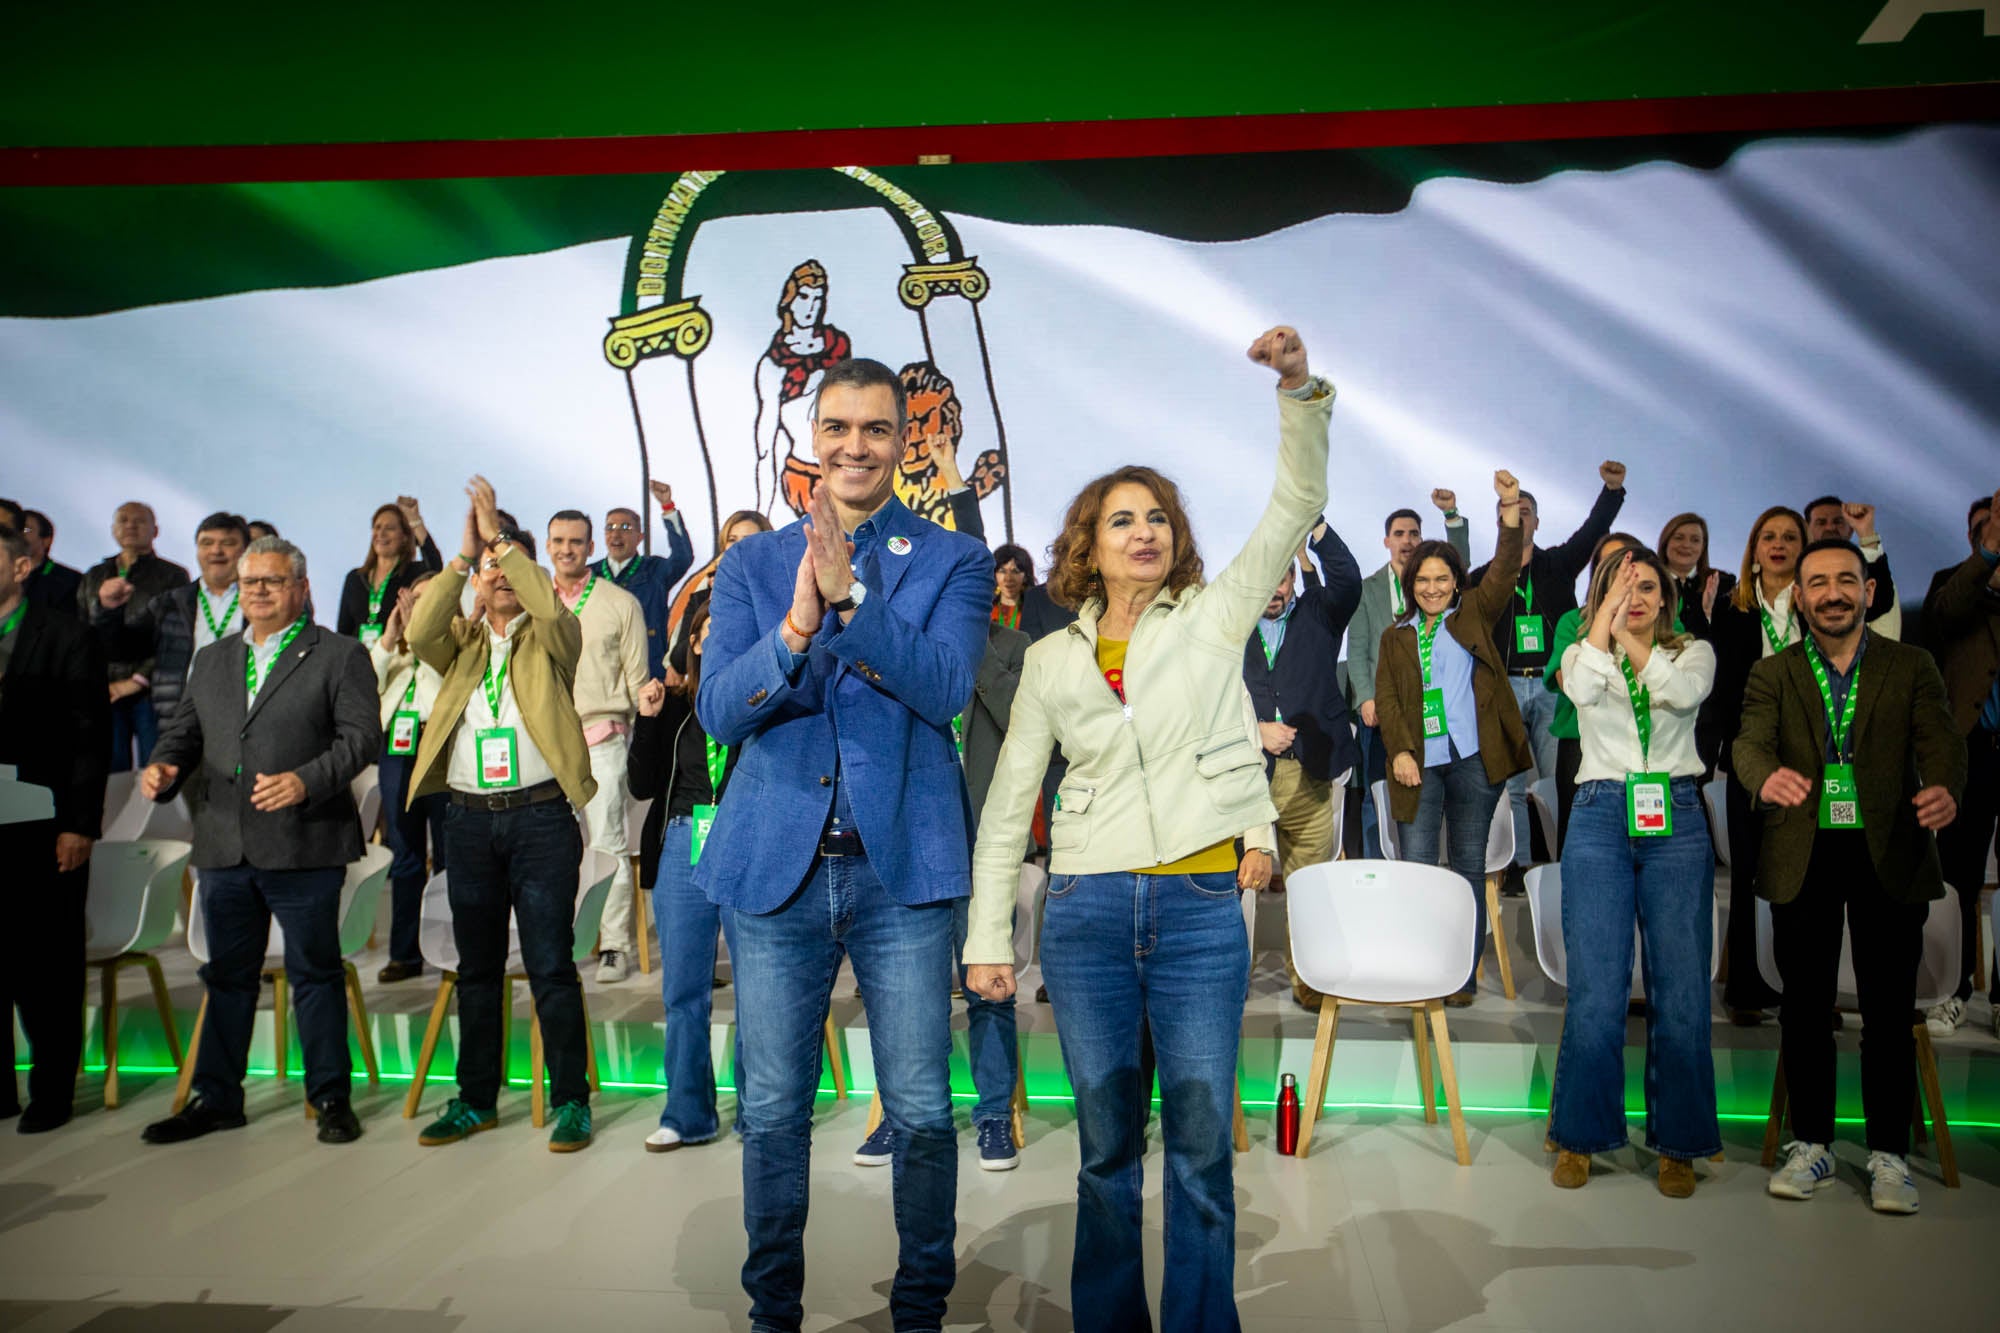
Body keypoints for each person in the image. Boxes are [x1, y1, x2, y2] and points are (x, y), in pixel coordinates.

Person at [966, 326, 1330, 1333]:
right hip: (1084, 914)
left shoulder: (1211, 621)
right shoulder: (1046, 660)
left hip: (1201, 904)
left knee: (1204, 1145)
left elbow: (1294, 503)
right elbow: (1006, 810)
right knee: (1104, 1149)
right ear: (1088, 541)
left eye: (1158, 518)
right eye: (1122, 519)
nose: (1144, 532)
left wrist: (1296, 391)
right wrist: (987, 936)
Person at [697, 355, 990, 1333]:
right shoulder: (747, 563)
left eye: (875, 429)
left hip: (901, 872)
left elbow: (947, 690)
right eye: (837, 428)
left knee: (914, 1106)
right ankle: (771, 1312)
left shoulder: (952, 559)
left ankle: (919, 1312)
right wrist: (795, 622)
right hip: (776, 874)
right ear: (810, 438)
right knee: (772, 1109)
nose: (855, 446)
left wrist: (853, 601)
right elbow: (715, 710)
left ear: (905, 441)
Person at [1736, 538, 1964, 1216]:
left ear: (1868, 590)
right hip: (1801, 851)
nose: (1832, 592)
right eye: (1817, 583)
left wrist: (1947, 784)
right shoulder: (1773, 672)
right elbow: (1750, 741)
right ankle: (1811, 1143)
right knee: (1805, 1009)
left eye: (1845, 580)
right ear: (1799, 596)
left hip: (1888, 852)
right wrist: (1760, 775)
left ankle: (1890, 1153)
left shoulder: (1912, 664)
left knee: (1889, 1013)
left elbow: (1942, 740)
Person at [137, 536, 379, 1146]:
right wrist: (164, 767)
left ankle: (330, 1097)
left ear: (300, 587)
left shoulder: (340, 654)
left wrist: (306, 781)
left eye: (273, 582)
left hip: (304, 843)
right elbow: (183, 731)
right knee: (227, 977)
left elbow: (359, 742)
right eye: (250, 584)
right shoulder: (213, 659)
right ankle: (217, 1098)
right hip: (224, 845)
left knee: (315, 974)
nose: (260, 593)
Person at [404, 480, 597, 1153]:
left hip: (540, 820)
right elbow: (419, 626)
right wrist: (462, 556)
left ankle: (572, 1099)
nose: (500, 577)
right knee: (477, 968)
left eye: (510, 568)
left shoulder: (552, 638)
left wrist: (500, 538)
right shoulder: (458, 645)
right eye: (490, 572)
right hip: (468, 821)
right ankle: (475, 1098)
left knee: (549, 964)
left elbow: (546, 602)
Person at [1548, 548, 1719, 1197]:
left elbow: (1676, 692)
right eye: (1621, 586)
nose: (1636, 595)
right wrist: (1607, 629)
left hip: (1675, 811)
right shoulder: (1582, 654)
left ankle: (1679, 1142)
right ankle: (1580, 1135)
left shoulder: (1693, 651)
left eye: (1646, 585)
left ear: (1667, 596)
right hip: (1598, 813)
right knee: (1597, 989)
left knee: (1680, 989)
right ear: (1600, 597)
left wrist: (1623, 633)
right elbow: (1580, 689)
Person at [1378, 473, 1534, 1005]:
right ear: (1410, 583)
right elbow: (1391, 702)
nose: (1432, 588)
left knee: (1468, 869)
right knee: (1420, 872)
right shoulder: (1394, 637)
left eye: (1442, 579)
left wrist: (1509, 509)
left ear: (1456, 581)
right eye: (1423, 580)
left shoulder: (1472, 613)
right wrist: (1399, 750)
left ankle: (1461, 975)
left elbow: (1507, 566)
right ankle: (1425, 970)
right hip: (1415, 765)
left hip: (1472, 761)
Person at [1468, 463, 1627, 892]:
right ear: (1502, 521)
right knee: (1512, 787)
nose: (1519, 519)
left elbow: (1594, 529)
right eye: (1511, 512)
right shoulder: (1484, 577)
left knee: (1561, 782)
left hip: (1553, 687)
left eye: (1526, 511)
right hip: (1504, 686)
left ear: (1536, 522)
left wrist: (1611, 490)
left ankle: (1569, 862)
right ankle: (1518, 866)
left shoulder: (1558, 563)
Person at [0, 522, 110, 1132]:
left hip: (44, 826)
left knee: (46, 963)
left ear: (22, 568)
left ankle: (52, 1090)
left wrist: (80, 824)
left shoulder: (67, 635)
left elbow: (91, 737)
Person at [627, 604, 742, 1152]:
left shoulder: (761, 697)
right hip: (682, 843)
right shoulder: (673, 707)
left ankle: (760, 1110)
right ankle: (687, 1114)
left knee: (761, 990)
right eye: (706, 631)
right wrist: (648, 721)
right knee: (683, 990)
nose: (716, 639)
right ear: (691, 644)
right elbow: (643, 784)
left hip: (750, 843)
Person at [1244, 515, 1362, 1008]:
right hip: (1247, 776)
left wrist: (1316, 526)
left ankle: (1308, 978)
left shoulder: (1320, 612)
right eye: (1264, 579)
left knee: (1308, 884)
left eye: (1283, 577)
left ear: (1293, 578)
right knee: (1237, 886)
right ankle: (1229, 978)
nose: (1274, 588)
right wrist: (1256, 733)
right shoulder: (1228, 628)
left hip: (1309, 769)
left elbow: (1349, 578)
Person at [546, 508, 649, 983]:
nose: (566, 549)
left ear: (591, 548)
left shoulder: (619, 602)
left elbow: (636, 681)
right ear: (548, 547)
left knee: (608, 845)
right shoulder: (532, 602)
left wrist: (642, 704)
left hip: (602, 739)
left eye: (576, 541)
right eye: (558, 541)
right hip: (541, 745)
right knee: (548, 850)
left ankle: (614, 945)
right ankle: (555, 940)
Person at [1348, 495, 1472, 859]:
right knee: (1378, 793)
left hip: (1430, 710)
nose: (1407, 540)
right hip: (1381, 711)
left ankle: (1423, 867)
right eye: (1399, 533)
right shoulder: (1366, 588)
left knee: (1426, 793)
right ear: (1386, 541)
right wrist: (1365, 698)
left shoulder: (1433, 588)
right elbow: (1357, 649)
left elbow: (1459, 562)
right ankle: (1377, 867)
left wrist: (1452, 517)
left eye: (1414, 533)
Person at [1921, 489, 2000, 1036]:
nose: (1988, 532)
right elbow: (1944, 618)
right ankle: (1952, 990)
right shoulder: (1953, 582)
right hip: (1970, 748)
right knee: (1958, 876)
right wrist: (1988, 559)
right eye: (1982, 528)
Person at [92, 513, 250, 734]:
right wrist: (109, 611)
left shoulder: (262, 599)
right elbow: (121, 650)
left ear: (245, 551)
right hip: (183, 722)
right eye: (207, 543)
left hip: (245, 717)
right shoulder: (172, 602)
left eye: (228, 543)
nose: (216, 551)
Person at [366, 572, 449, 983]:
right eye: (413, 598)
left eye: (428, 599)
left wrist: (423, 630)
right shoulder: (390, 647)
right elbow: (367, 684)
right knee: (405, 854)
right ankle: (405, 953)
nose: (417, 605)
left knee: (449, 855)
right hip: (396, 750)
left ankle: (451, 947)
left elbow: (444, 676)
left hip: (440, 744)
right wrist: (390, 636)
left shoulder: (455, 636)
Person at [1541, 532, 1643, 850]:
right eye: (1610, 565)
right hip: (1581, 745)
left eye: (1629, 563)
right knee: (1580, 846)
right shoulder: (1573, 621)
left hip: (1644, 745)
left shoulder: (1666, 623)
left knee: (1643, 847)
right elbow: (1568, 683)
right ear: (1597, 573)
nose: (1620, 573)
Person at [80, 502, 190, 770]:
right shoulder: (94, 576)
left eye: (140, 521)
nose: (130, 525)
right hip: (105, 692)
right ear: (113, 529)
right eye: (123, 520)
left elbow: (175, 637)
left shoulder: (172, 575)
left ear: (156, 531)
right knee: (110, 773)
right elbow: (81, 634)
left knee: (156, 770)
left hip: (153, 692)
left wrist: (138, 680)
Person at [595, 481, 694, 682]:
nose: (616, 534)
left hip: (648, 673)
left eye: (625, 527)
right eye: (610, 527)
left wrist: (667, 507)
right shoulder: (590, 574)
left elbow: (683, 557)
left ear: (640, 537)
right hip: (600, 674)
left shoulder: (655, 570)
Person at [336, 498, 442, 646]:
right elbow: (342, 634)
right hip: (358, 664)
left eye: (390, 528)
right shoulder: (355, 578)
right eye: (377, 527)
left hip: (397, 661)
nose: (381, 533)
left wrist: (415, 521)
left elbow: (436, 568)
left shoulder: (414, 573)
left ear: (405, 537)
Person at [1803, 495, 1899, 636]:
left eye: (1838, 521)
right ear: (1807, 530)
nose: (1830, 527)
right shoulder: (1797, 575)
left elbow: (1880, 604)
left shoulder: (1876, 578)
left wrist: (1866, 532)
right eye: (1821, 522)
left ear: (1850, 529)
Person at [1658, 512, 1734, 641]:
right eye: (1679, 537)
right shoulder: (1648, 581)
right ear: (1666, 541)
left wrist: (1708, 615)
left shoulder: (1723, 584)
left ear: (1703, 547)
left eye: (1695, 540)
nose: (1686, 545)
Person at [19, 510, 84, 618]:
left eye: (26, 529)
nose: (18, 534)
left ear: (46, 541)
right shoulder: (5, 576)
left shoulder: (71, 580)